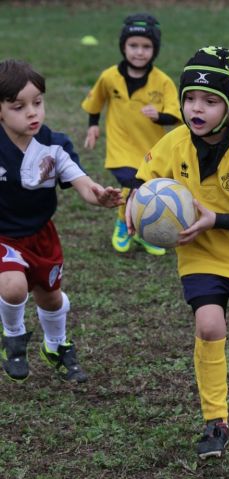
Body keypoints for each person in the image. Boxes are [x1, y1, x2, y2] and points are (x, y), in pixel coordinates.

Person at [125, 46, 229, 459]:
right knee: (209, 324)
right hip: (200, 255)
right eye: (189, 98)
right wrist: (131, 206)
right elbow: (144, 179)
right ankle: (215, 421)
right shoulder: (174, 141)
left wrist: (216, 219)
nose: (196, 108)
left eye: (210, 101)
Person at [0, 59, 122, 383]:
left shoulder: (55, 145)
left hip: (41, 236)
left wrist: (98, 194)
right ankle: (12, 338)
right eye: (18, 106)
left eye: (37, 103)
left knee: (51, 297)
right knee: (13, 288)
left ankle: (55, 346)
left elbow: (81, 181)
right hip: (5, 237)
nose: (32, 113)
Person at [81, 12, 181, 256]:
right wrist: (93, 126)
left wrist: (159, 115)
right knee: (130, 182)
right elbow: (95, 102)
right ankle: (123, 224)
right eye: (133, 45)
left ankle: (143, 233)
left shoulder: (163, 81)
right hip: (120, 148)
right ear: (123, 46)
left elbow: (176, 115)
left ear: (154, 50)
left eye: (146, 46)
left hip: (149, 150)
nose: (139, 52)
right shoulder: (109, 77)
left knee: (144, 190)